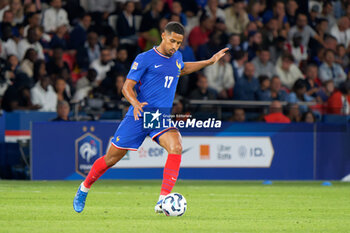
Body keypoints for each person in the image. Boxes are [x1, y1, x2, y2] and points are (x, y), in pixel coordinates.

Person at [73, 22, 228, 213]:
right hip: (139, 115)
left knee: (176, 146)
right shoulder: (145, 58)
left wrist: (209, 62)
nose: (175, 47)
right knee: (111, 159)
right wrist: (136, 103)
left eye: (179, 43)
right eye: (172, 41)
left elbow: (182, 68)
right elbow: (126, 87)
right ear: (163, 35)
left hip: (159, 117)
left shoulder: (177, 56)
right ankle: (84, 187)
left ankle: (162, 200)